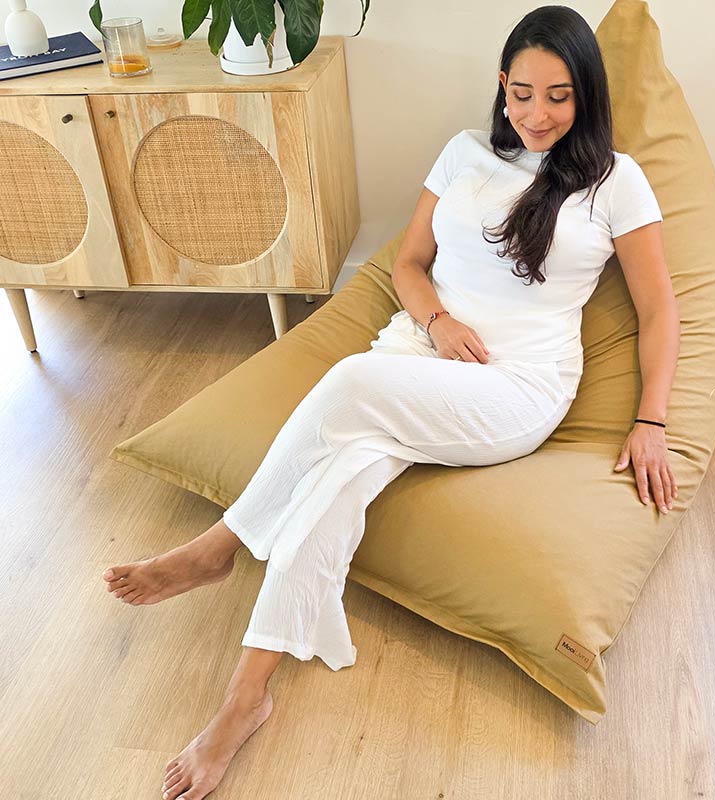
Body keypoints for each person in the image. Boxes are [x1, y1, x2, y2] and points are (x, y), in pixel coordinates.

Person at [101, 6, 680, 799]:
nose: (537, 114)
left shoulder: (616, 179)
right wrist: (437, 322)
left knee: (346, 383)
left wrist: (651, 421)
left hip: (515, 389)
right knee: (339, 479)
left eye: (559, 96)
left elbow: (661, 310)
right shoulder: (464, 153)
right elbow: (410, 265)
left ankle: (221, 544)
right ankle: (245, 700)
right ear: (500, 88)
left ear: (587, 96)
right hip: (420, 352)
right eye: (521, 93)